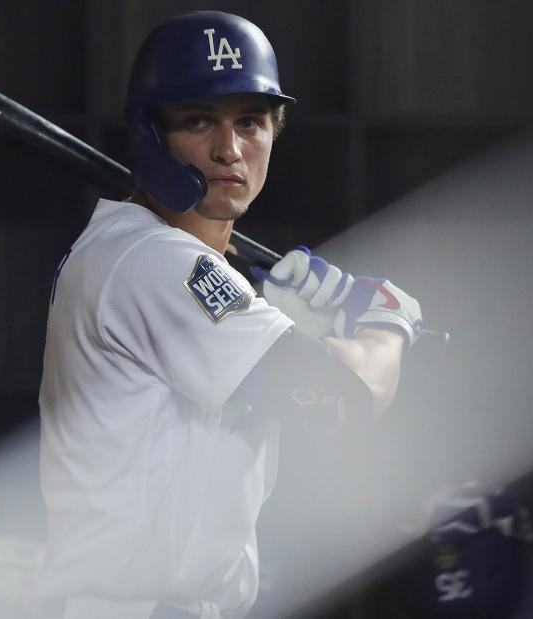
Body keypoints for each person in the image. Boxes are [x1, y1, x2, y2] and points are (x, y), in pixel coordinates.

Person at [35, 11, 423, 619]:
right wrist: (387, 320)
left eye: (250, 122)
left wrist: (301, 323)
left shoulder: (147, 251)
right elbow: (343, 398)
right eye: (198, 121)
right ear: (151, 134)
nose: (229, 149)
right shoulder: (150, 259)